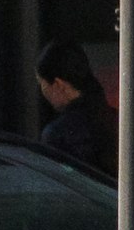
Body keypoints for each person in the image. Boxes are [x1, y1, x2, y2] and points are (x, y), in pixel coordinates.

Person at [35, 41, 115, 177]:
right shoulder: (116, 119)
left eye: (41, 83)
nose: (42, 91)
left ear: (58, 84)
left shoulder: (57, 134)